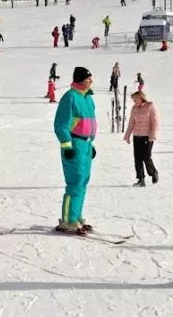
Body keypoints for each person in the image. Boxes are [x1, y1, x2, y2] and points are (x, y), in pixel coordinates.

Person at [53, 67, 97, 234]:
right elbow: (61, 125)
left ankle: (76, 216)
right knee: (75, 182)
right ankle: (67, 220)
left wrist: (90, 144)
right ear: (81, 79)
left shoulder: (88, 98)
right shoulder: (70, 97)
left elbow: (88, 123)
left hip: (85, 145)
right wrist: (67, 145)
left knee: (83, 181)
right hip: (74, 143)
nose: (91, 81)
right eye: (89, 78)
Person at [123, 91, 160, 187]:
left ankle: (153, 172)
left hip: (147, 136)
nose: (134, 101)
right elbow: (131, 123)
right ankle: (141, 179)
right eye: (133, 100)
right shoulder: (134, 108)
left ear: (140, 98)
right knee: (137, 158)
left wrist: (152, 135)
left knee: (146, 157)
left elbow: (155, 122)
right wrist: (127, 135)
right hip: (137, 136)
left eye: (135, 99)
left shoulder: (150, 106)